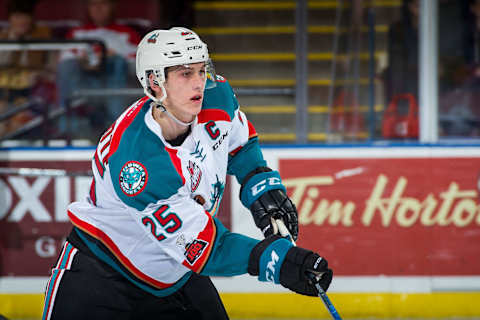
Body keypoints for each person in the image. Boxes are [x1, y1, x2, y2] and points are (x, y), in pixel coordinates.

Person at [42, 27, 334, 319]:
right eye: (185, 74)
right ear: (155, 83)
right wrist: (280, 262)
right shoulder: (139, 164)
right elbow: (208, 248)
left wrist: (263, 190)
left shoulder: (215, 96)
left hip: (175, 276)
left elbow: (240, 145)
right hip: (101, 279)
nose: (199, 83)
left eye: (201, 70)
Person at [56, 0, 141, 137]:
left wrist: (110, 58)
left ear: (112, 6)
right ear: (88, 8)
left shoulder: (127, 34)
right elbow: (64, 59)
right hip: (83, 83)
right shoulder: (77, 33)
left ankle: (116, 127)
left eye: (103, 4)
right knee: (68, 65)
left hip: (115, 83)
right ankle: (67, 127)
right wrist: (83, 61)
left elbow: (137, 61)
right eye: (94, 5)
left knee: (117, 62)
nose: (98, 9)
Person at [0, 0, 53, 138]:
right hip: (4, 93)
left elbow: (52, 70)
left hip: (32, 94)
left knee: (18, 121)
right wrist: (13, 38)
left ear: (32, 18)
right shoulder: (3, 37)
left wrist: (40, 75)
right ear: (10, 19)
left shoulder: (43, 36)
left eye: (25, 16)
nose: (21, 21)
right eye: (17, 16)